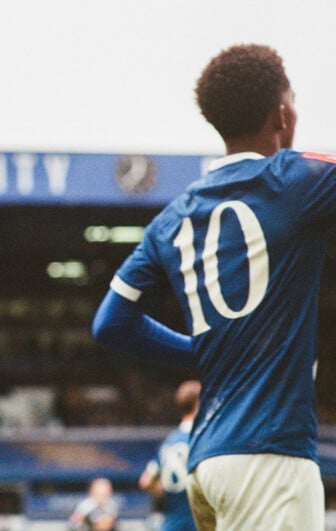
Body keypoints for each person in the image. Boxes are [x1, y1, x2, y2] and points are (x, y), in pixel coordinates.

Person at [91, 43, 329, 530]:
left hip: (208, 460)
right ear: (283, 116)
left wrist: (202, 350)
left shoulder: (171, 219)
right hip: (269, 457)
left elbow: (111, 323)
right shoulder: (296, 181)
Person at [138, 380, 200, 531]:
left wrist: (164, 489)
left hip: (172, 522)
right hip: (196, 521)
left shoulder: (170, 441)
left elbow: (145, 481)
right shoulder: (200, 438)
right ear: (198, 404)